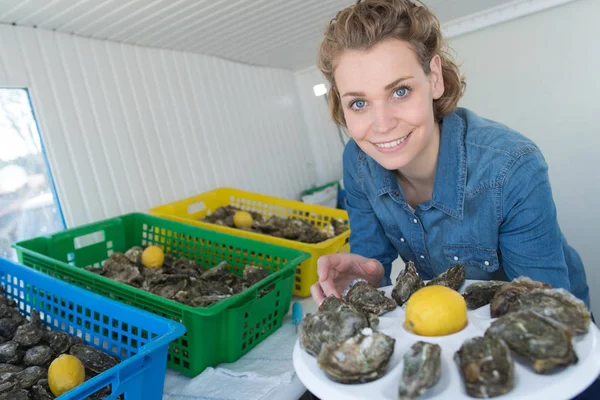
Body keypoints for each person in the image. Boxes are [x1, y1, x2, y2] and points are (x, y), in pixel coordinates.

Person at [308, 0, 597, 398]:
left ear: (435, 78)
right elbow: (373, 259)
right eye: (358, 102)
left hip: (551, 326)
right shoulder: (358, 162)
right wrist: (366, 275)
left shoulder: (511, 167)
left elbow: (545, 312)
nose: (381, 124)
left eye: (400, 91)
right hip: (450, 332)